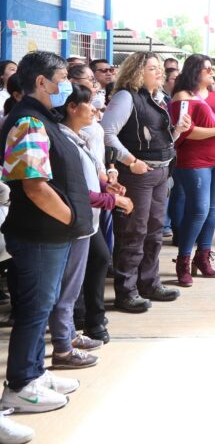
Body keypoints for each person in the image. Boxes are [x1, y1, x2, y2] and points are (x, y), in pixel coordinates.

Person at [0, 51, 89, 413]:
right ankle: (20, 384)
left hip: (50, 234)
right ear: (41, 81)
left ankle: (35, 372)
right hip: (39, 233)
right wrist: (69, 217)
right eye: (63, 77)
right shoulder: (28, 122)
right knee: (34, 310)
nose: (67, 84)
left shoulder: (43, 118)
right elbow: (34, 185)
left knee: (42, 305)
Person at [50, 83, 132, 369]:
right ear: (72, 107)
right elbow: (76, 192)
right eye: (90, 104)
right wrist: (113, 201)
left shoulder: (76, 137)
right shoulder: (63, 141)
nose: (97, 110)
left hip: (85, 223)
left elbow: (89, 179)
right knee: (66, 290)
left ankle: (68, 336)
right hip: (74, 223)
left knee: (71, 287)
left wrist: (108, 184)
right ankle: (62, 347)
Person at [102, 51, 183, 315]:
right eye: (152, 68)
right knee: (133, 232)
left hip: (159, 172)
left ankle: (149, 283)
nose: (159, 72)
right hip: (138, 174)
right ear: (138, 71)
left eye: (160, 68)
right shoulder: (126, 96)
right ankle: (127, 291)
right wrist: (129, 160)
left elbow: (158, 136)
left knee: (154, 230)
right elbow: (107, 133)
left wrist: (178, 131)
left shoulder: (159, 98)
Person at [168, 54, 215, 285]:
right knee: (198, 209)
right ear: (195, 70)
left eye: (211, 70)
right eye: (207, 69)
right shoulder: (182, 97)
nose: (211, 73)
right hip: (194, 160)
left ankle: (203, 257)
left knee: (211, 209)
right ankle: (183, 260)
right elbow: (187, 131)